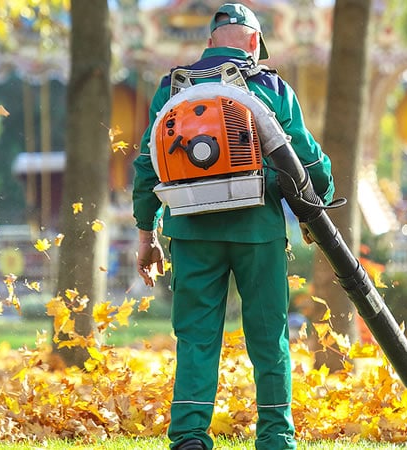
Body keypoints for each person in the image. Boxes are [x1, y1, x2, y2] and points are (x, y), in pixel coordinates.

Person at [132, 3, 335, 449]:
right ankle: (276, 437)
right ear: (253, 43)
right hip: (256, 229)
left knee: (196, 337)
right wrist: (317, 206)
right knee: (268, 338)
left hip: (190, 232)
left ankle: (188, 435)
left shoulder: (172, 87)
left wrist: (146, 234)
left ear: (209, 43)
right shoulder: (269, 86)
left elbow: (148, 164)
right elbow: (302, 154)